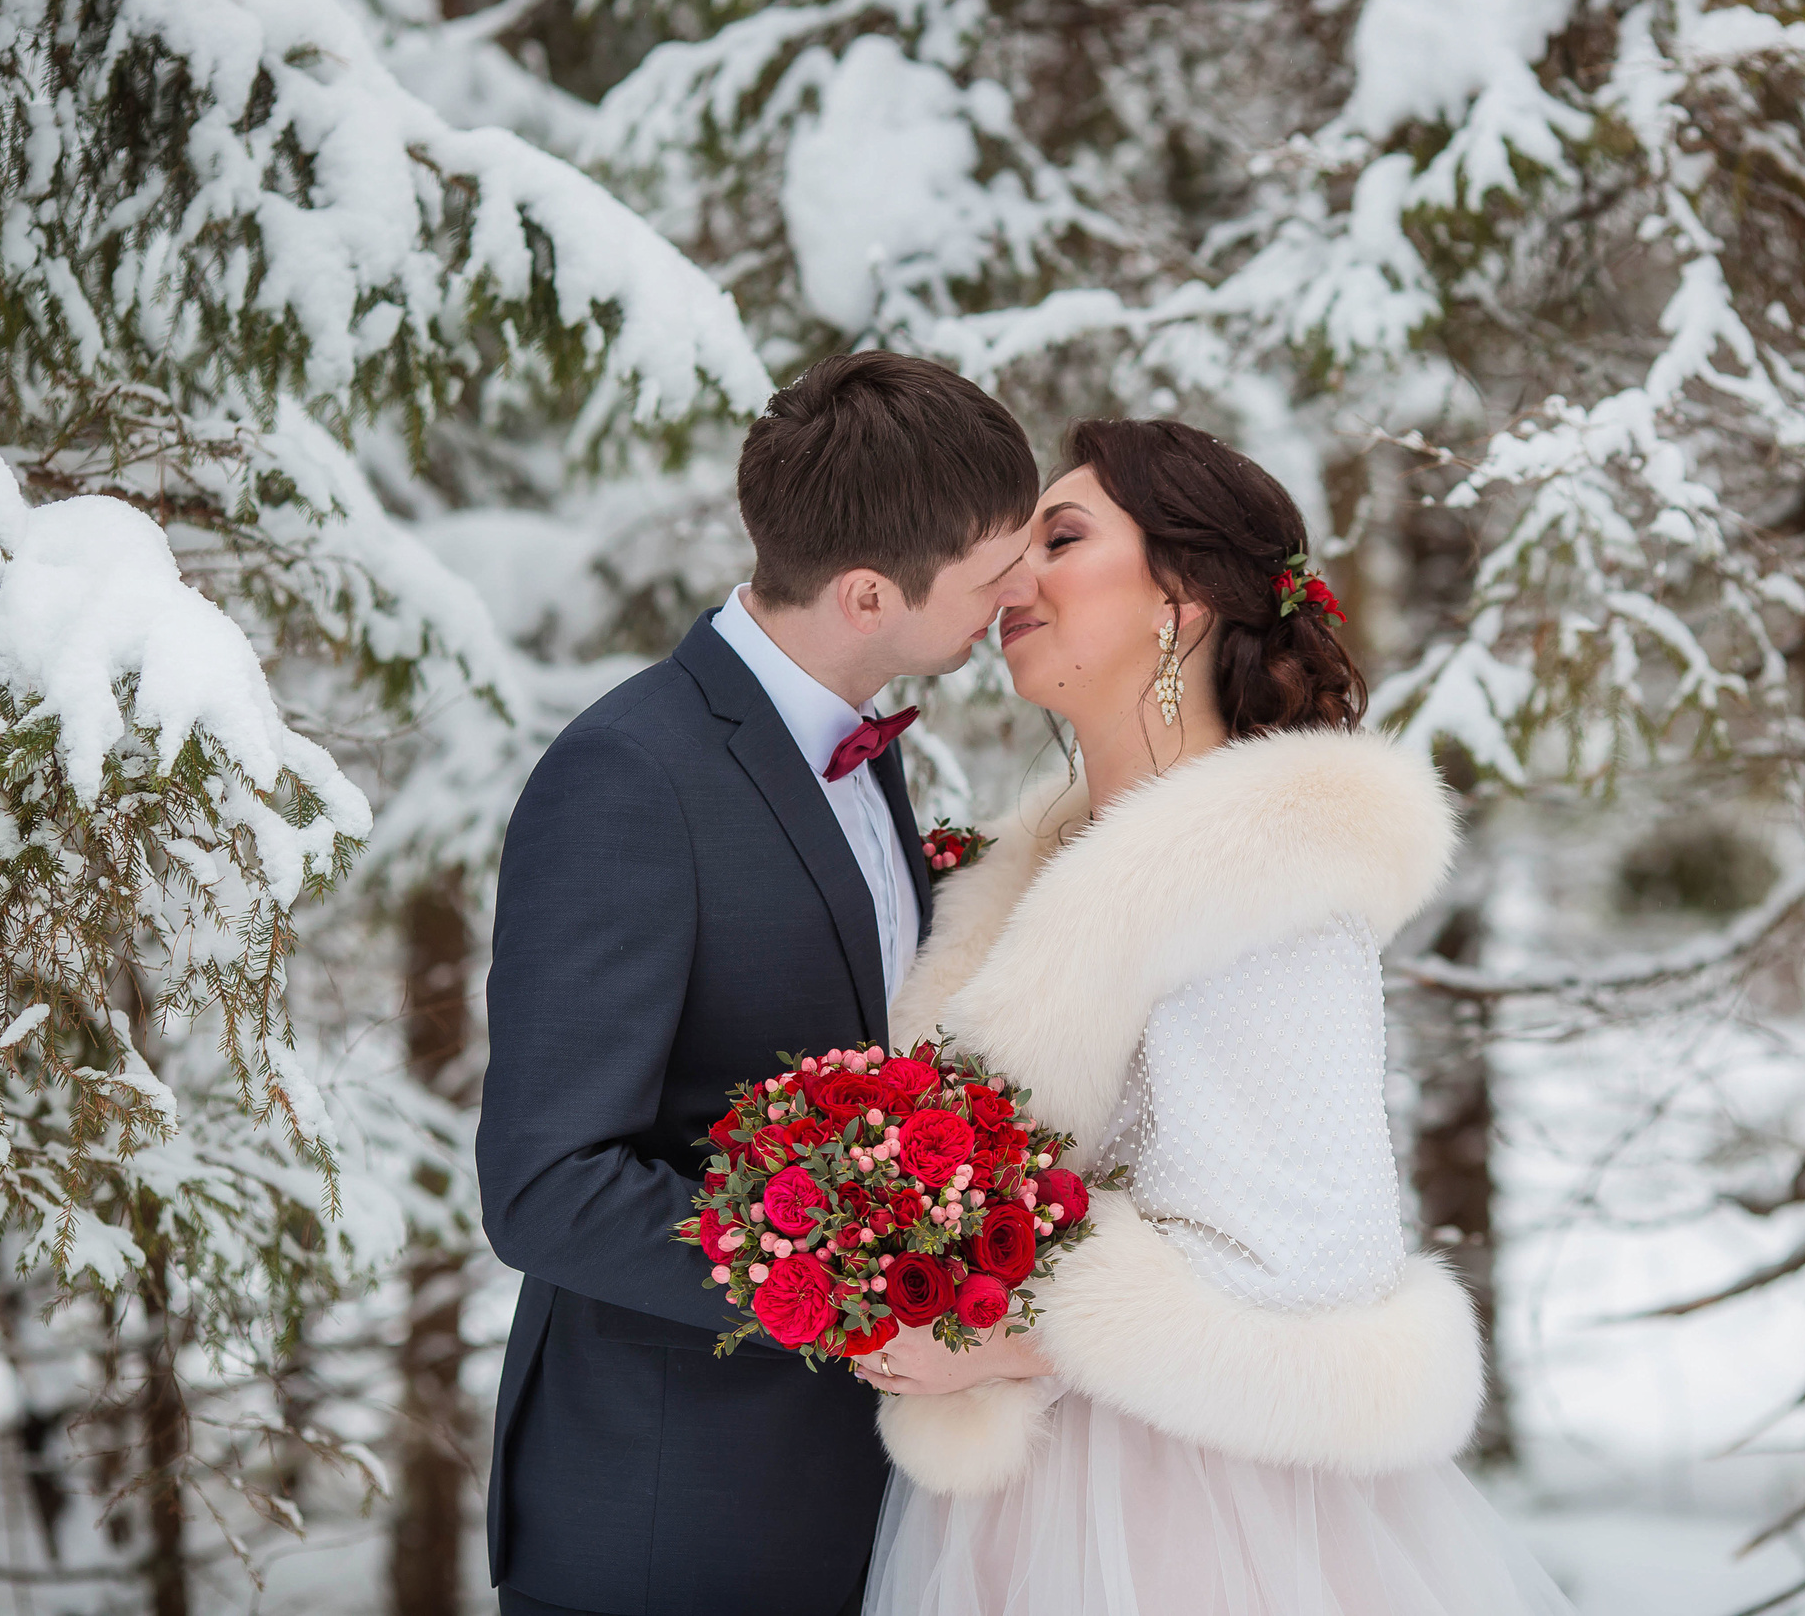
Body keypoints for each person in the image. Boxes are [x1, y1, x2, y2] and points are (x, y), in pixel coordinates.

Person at [851, 419, 1576, 1616]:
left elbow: (1305, 1259)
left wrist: (998, 1329)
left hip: (1198, 1510)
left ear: (1180, 597)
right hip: (1022, 1501)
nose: (1009, 580)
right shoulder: (1044, 866)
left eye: (1062, 538)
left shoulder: (1258, 875)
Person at [477, 351, 1041, 1616]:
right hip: (671, 1507)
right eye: (994, 566)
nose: (1022, 588)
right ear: (865, 592)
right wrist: (848, 1300)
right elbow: (544, 1187)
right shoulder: (627, 775)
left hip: (852, 1498)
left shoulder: (866, 748)